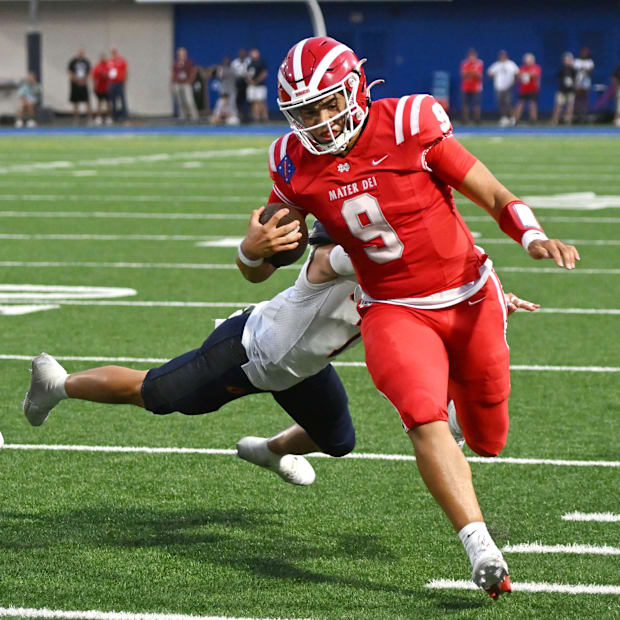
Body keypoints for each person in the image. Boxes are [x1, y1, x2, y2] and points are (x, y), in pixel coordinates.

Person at [239, 36, 579, 599]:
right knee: (423, 415)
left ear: (356, 89)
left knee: (489, 437)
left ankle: (466, 393)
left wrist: (533, 235)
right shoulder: (292, 163)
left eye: (329, 104)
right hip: (392, 307)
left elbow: (491, 192)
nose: (321, 122)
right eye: (306, 112)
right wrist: (252, 251)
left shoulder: (410, 123)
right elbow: (262, 269)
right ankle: (480, 546)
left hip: (469, 296)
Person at [487, 50, 519, 126]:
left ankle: (512, 118)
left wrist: (513, 82)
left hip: (508, 87)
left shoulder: (511, 64)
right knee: (500, 104)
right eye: (501, 56)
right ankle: (504, 118)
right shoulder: (497, 65)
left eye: (503, 56)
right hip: (499, 87)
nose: (502, 57)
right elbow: (489, 73)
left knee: (509, 103)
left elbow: (517, 73)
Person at [171, 47, 199, 122]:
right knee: (180, 101)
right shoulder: (176, 62)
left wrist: (190, 81)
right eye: (180, 54)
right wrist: (172, 82)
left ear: (185, 54)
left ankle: (194, 116)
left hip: (186, 84)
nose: (182, 55)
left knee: (189, 100)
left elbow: (194, 72)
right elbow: (173, 73)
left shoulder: (189, 62)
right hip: (177, 84)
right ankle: (182, 116)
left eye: (183, 54)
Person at [211, 56, 240, 125]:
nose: (226, 62)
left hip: (232, 91)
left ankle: (223, 122)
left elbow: (238, 77)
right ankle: (221, 122)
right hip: (224, 90)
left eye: (228, 61)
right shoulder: (221, 69)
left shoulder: (233, 69)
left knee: (234, 120)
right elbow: (218, 76)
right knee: (214, 118)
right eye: (225, 61)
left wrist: (225, 115)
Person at [514, 53, 541, 124]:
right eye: (526, 60)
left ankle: (533, 120)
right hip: (523, 89)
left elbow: (535, 75)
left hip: (533, 89)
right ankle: (516, 120)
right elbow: (518, 77)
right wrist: (522, 75)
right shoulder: (522, 68)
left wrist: (526, 74)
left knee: (532, 105)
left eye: (529, 60)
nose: (527, 61)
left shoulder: (536, 67)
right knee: (520, 104)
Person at [550, 52, 576, 125]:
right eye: (566, 59)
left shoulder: (573, 69)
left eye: (569, 59)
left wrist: (572, 84)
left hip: (571, 91)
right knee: (558, 106)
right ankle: (555, 121)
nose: (567, 61)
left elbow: (576, 79)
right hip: (562, 90)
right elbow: (557, 78)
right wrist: (564, 83)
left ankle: (568, 121)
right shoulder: (561, 68)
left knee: (570, 107)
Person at [68, 48, 92, 124]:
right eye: (79, 52)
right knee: (75, 102)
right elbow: (70, 73)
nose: (80, 54)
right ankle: (76, 118)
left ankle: (89, 118)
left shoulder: (86, 62)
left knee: (87, 101)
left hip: (84, 84)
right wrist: (76, 80)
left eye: (82, 53)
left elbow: (89, 73)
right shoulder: (73, 62)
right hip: (75, 84)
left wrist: (83, 81)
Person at [460, 48, 483, 124]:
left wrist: (470, 73)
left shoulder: (479, 63)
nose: (472, 58)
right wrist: (471, 73)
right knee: (465, 104)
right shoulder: (465, 63)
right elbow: (463, 74)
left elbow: (478, 75)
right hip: (466, 87)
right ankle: (465, 120)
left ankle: (477, 120)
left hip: (476, 88)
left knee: (476, 104)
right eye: (470, 56)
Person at [246, 48, 269, 122]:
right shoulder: (249, 63)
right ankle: (256, 118)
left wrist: (256, 81)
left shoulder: (261, 62)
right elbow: (247, 74)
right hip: (252, 86)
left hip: (260, 85)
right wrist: (250, 82)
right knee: (254, 102)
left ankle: (265, 118)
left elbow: (264, 73)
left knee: (261, 102)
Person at [573, 46, 594, 122]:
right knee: (577, 98)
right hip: (577, 82)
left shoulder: (590, 61)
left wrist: (586, 70)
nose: (584, 54)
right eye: (583, 52)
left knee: (585, 98)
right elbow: (574, 71)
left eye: (586, 52)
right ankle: (577, 114)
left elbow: (591, 71)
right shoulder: (576, 61)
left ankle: (583, 114)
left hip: (586, 83)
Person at [107, 47, 128, 122]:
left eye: (115, 52)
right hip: (112, 83)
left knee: (122, 99)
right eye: (112, 52)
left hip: (120, 82)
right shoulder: (109, 61)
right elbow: (108, 72)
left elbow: (125, 72)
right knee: (113, 100)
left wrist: (125, 82)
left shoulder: (121, 60)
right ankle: (115, 116)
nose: (114, 53)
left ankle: (124, 115)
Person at [231, 48, 251, 123]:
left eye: (243, 53)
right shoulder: (235, 63)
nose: (242, 55)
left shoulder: (249, 61)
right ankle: (240, 115)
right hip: (238, 83)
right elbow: (233, 74)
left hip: (247, 82)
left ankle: (249, 116)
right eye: (241, 53)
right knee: (239, 101)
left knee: (249, 100)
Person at [92, 53, 111, 126]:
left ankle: (108, 117)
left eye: (104, 57)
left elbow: (112, 76)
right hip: (99, 88)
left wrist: (106, 76)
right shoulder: (97, 67)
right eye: (101, 57)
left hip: (107, 88)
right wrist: (94, 86)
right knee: (99, 103)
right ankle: (99, 117)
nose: (103, 58)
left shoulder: (108, 66)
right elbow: (94, 77)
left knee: (108, 103)